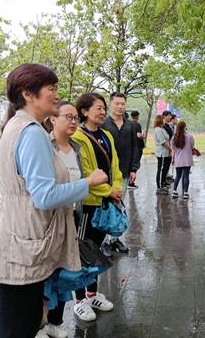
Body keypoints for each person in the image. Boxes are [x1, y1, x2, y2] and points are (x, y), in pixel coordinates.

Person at [0, 64, 108, 338]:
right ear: (28, 94)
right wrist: (88, 183)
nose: (56, 94)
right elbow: (44, 196)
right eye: (51, 88)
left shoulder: (17, 126)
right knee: (19, 327)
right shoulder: (32, 132)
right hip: (23, 248)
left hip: (17, 241)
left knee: (17, 325)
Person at [71, 93, 123, 322]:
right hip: (88, 204)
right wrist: (108, 191)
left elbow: (115, 166)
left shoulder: (106, 135)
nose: (103, 112)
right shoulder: (78, 137)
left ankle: (92, 295)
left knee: (96, 250)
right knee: (82, 252)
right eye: (98, 108)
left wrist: (116, 188)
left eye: (103, 108)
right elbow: (85, 172)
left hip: (105, 201)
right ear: (84, 112)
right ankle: (79, 300)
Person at [42, 101, 91, 336]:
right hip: (49, 220)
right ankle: (40, 323)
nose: (73, 122)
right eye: (68, 117)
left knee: (64, 270)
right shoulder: (45, 146)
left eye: (75, 118)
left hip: (72, 216)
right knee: (46, 273)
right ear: (53, 118)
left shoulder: (76, 148)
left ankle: (56, 322)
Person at [101, 92, 139, 254]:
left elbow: (135, 147)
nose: (120, 107)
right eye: (117, 103)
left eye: (123, 104)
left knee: (118, 205)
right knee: (104, 207)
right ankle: (103, 241)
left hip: (123, 172)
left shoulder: (131, 125)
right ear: (110, 104)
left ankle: (114, 239)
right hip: (104, 174)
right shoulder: (103, 124)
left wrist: (134, 168)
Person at [170, 121, 195, 199]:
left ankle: (174, 191)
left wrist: (173, 159)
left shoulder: (174, 138)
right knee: (186, 176)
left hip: (178, 159)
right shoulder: (190, 137)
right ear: (184, 127)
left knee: (178, 176)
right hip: (187, 159)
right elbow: (192, 146)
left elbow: (173, 149)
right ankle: (185, 193)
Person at [153, 114, 171, 195]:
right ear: (160, 120)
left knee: (164, 169)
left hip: (165, 152)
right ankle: (159, 187)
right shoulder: (158, 130)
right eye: (163, 119)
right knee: (160, 169)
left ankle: (163, 183)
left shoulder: (162, 129)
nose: (165, 120)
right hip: (161, 153)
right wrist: (171, 149)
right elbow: (163, 142)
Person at [130, 110, 145, 183]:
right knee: (136, 163)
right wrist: (143, 136)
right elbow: (138, 135)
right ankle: (131, 182)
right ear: (137, 116)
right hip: (138, 146)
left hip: (132, 146)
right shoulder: (137, 124)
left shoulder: (129, 124)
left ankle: (130, 181)